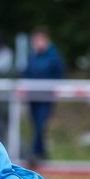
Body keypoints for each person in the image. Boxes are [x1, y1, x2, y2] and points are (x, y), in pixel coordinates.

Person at [21, 27, 65, 165]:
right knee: (35, 125)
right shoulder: (32, 56)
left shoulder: (54, 56)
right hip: (33, 96)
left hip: (46, 96)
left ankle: (33, 153)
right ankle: (42, 153)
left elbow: (59, 74)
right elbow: (26, 73)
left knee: (40, 124)